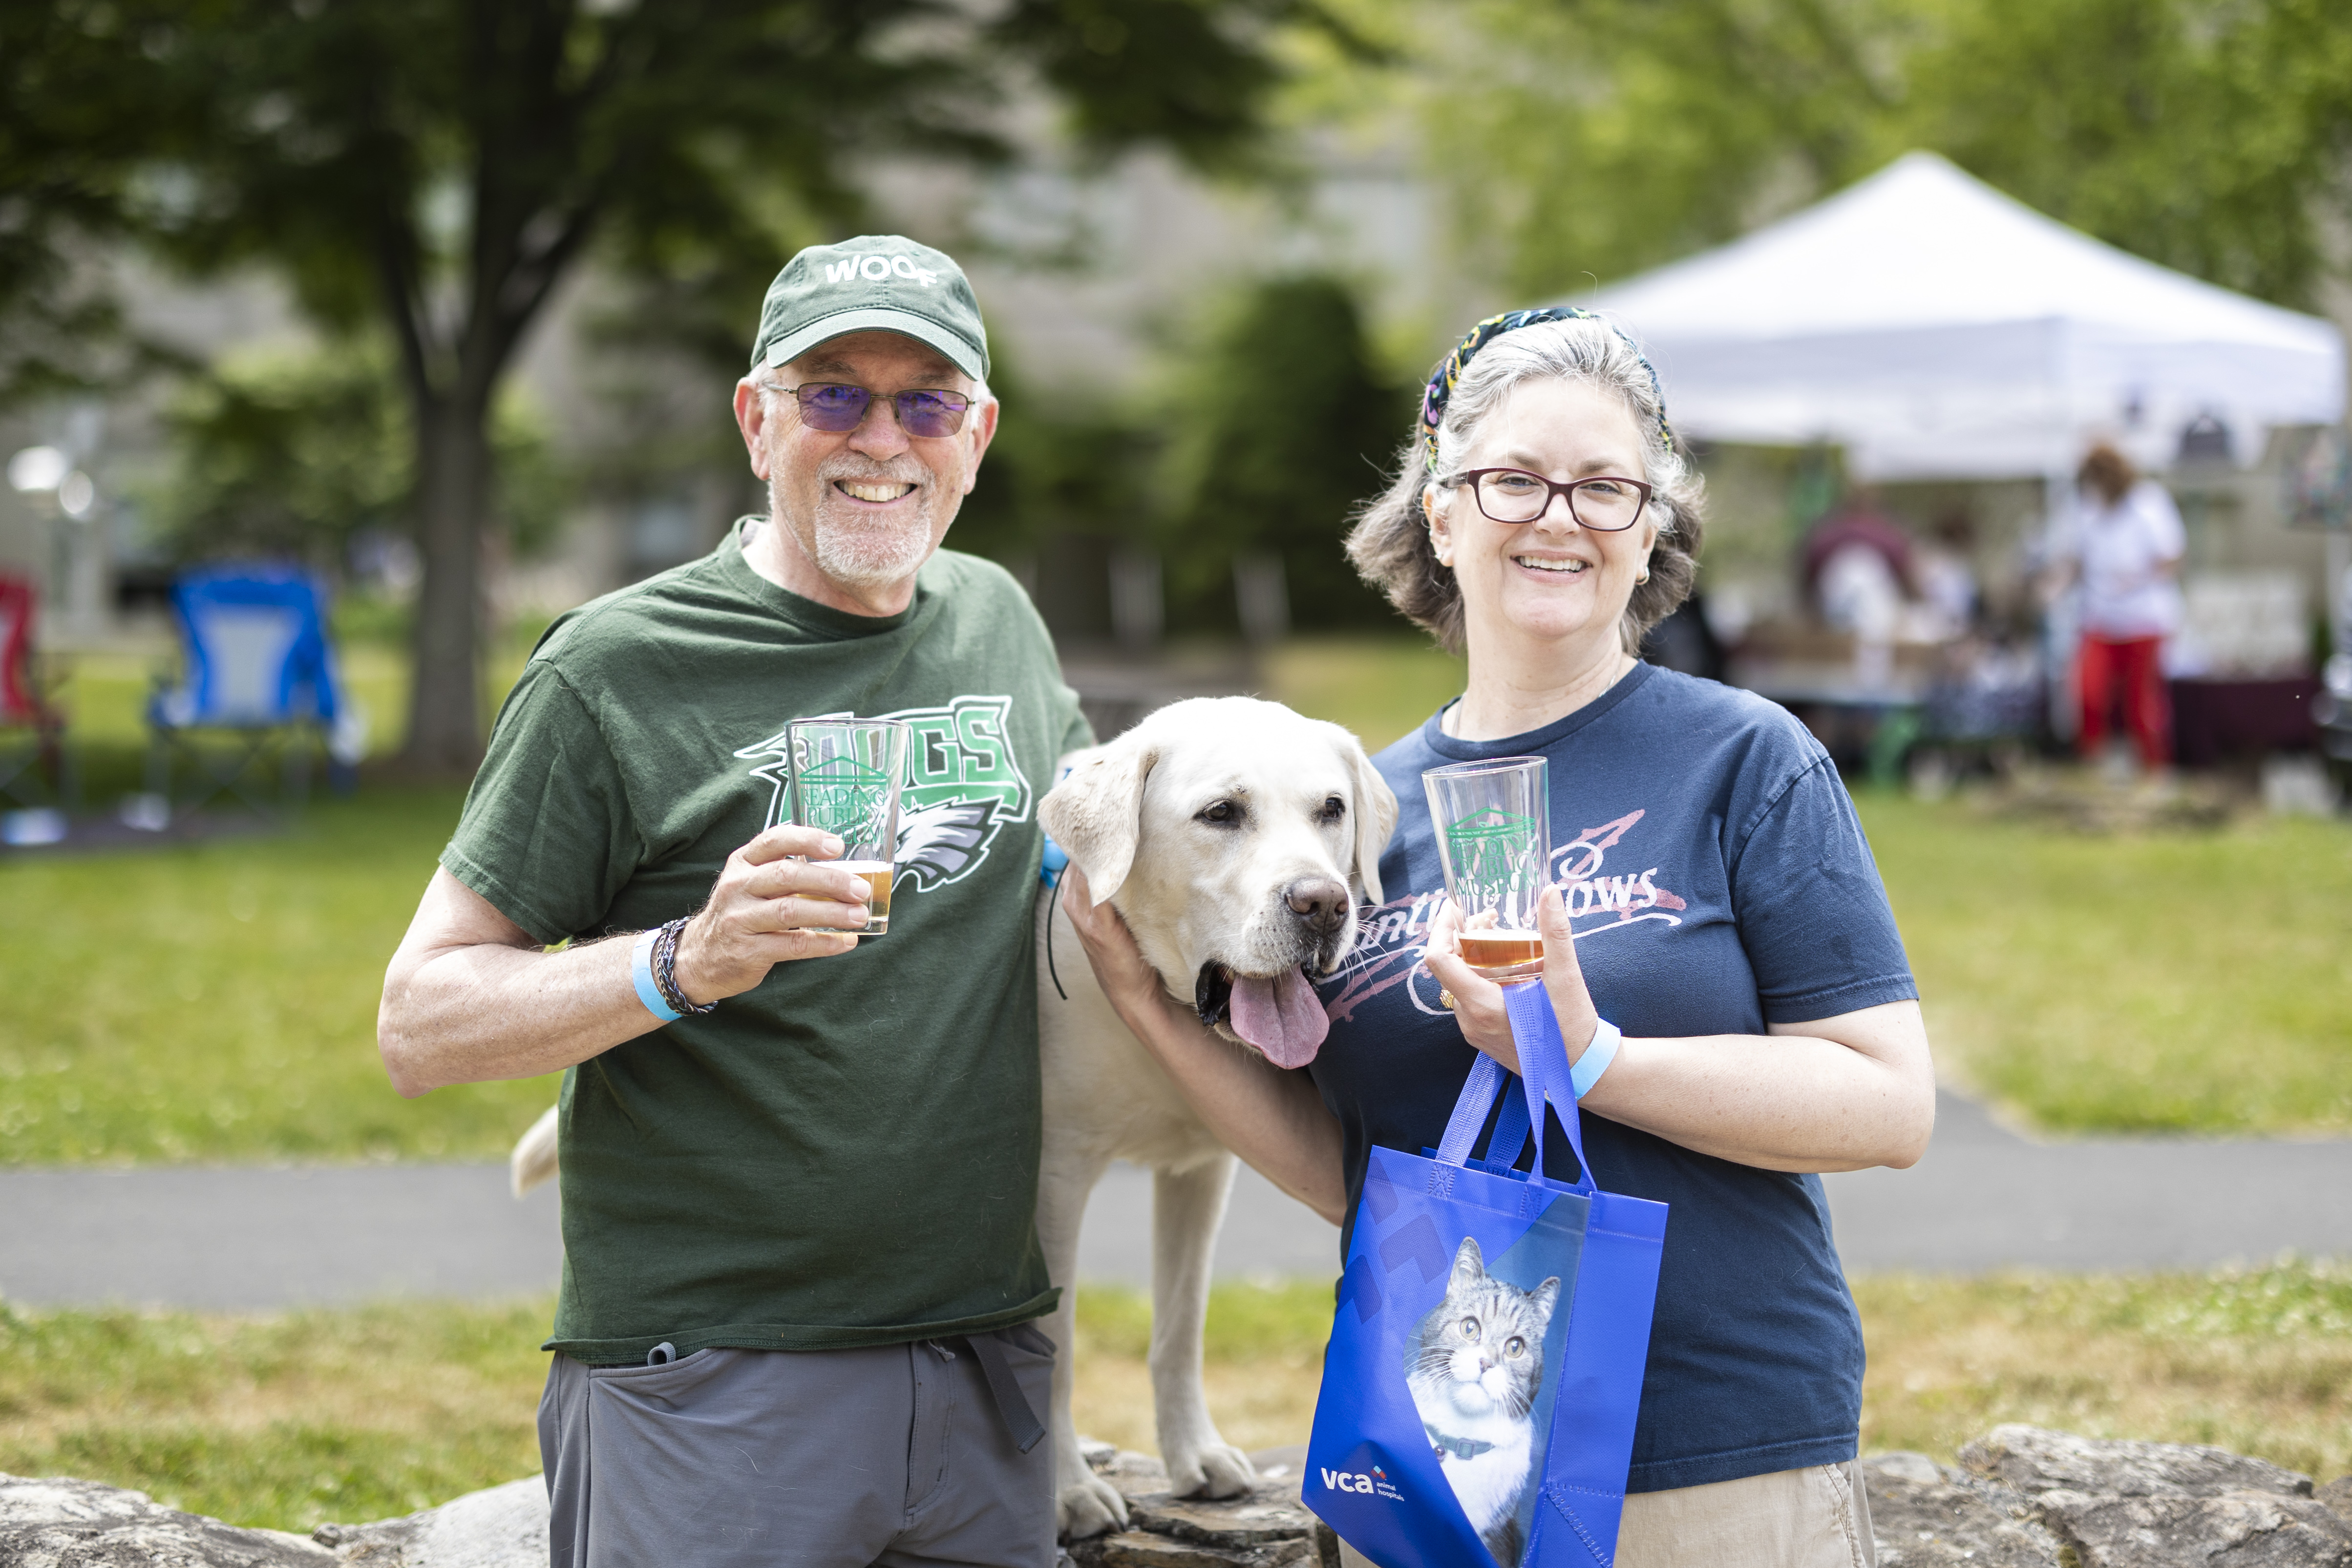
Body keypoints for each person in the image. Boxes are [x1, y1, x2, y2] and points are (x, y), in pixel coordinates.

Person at [1060, 309, 1934, 1568]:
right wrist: (1151, 1009)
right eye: (1513, 478)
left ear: (1651, 531)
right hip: (1433, 1462)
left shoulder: (1742, 758)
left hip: (1709, 1463)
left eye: (1604, 487)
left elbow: (1884, 1106)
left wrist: (1586, 1055)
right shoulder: (1356, 803)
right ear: (1439, 513)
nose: (1557, 515)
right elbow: (1352, 1172)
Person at [377, 235, 1090, 1568]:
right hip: (713, 1380)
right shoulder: (616, 668)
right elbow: (421, 1019)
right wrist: (683, 959)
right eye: (833, 394)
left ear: (975, 437)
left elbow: (1086, 876)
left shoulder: (999, 617)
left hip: (987, 1364)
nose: (881, 438)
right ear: (756, 420)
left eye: (922, 402)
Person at [2047, 442, 2185, 770]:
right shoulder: (2086, 509)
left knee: (2141, 706)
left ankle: (2153, 771)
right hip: (2099, 619)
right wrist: (2055, 585)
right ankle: (2093, 767)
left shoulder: (2148, 503)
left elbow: (2171, 558)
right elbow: (2075, 561)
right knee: (2087, 695)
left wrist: (2136, 578)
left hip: (2144, 620)